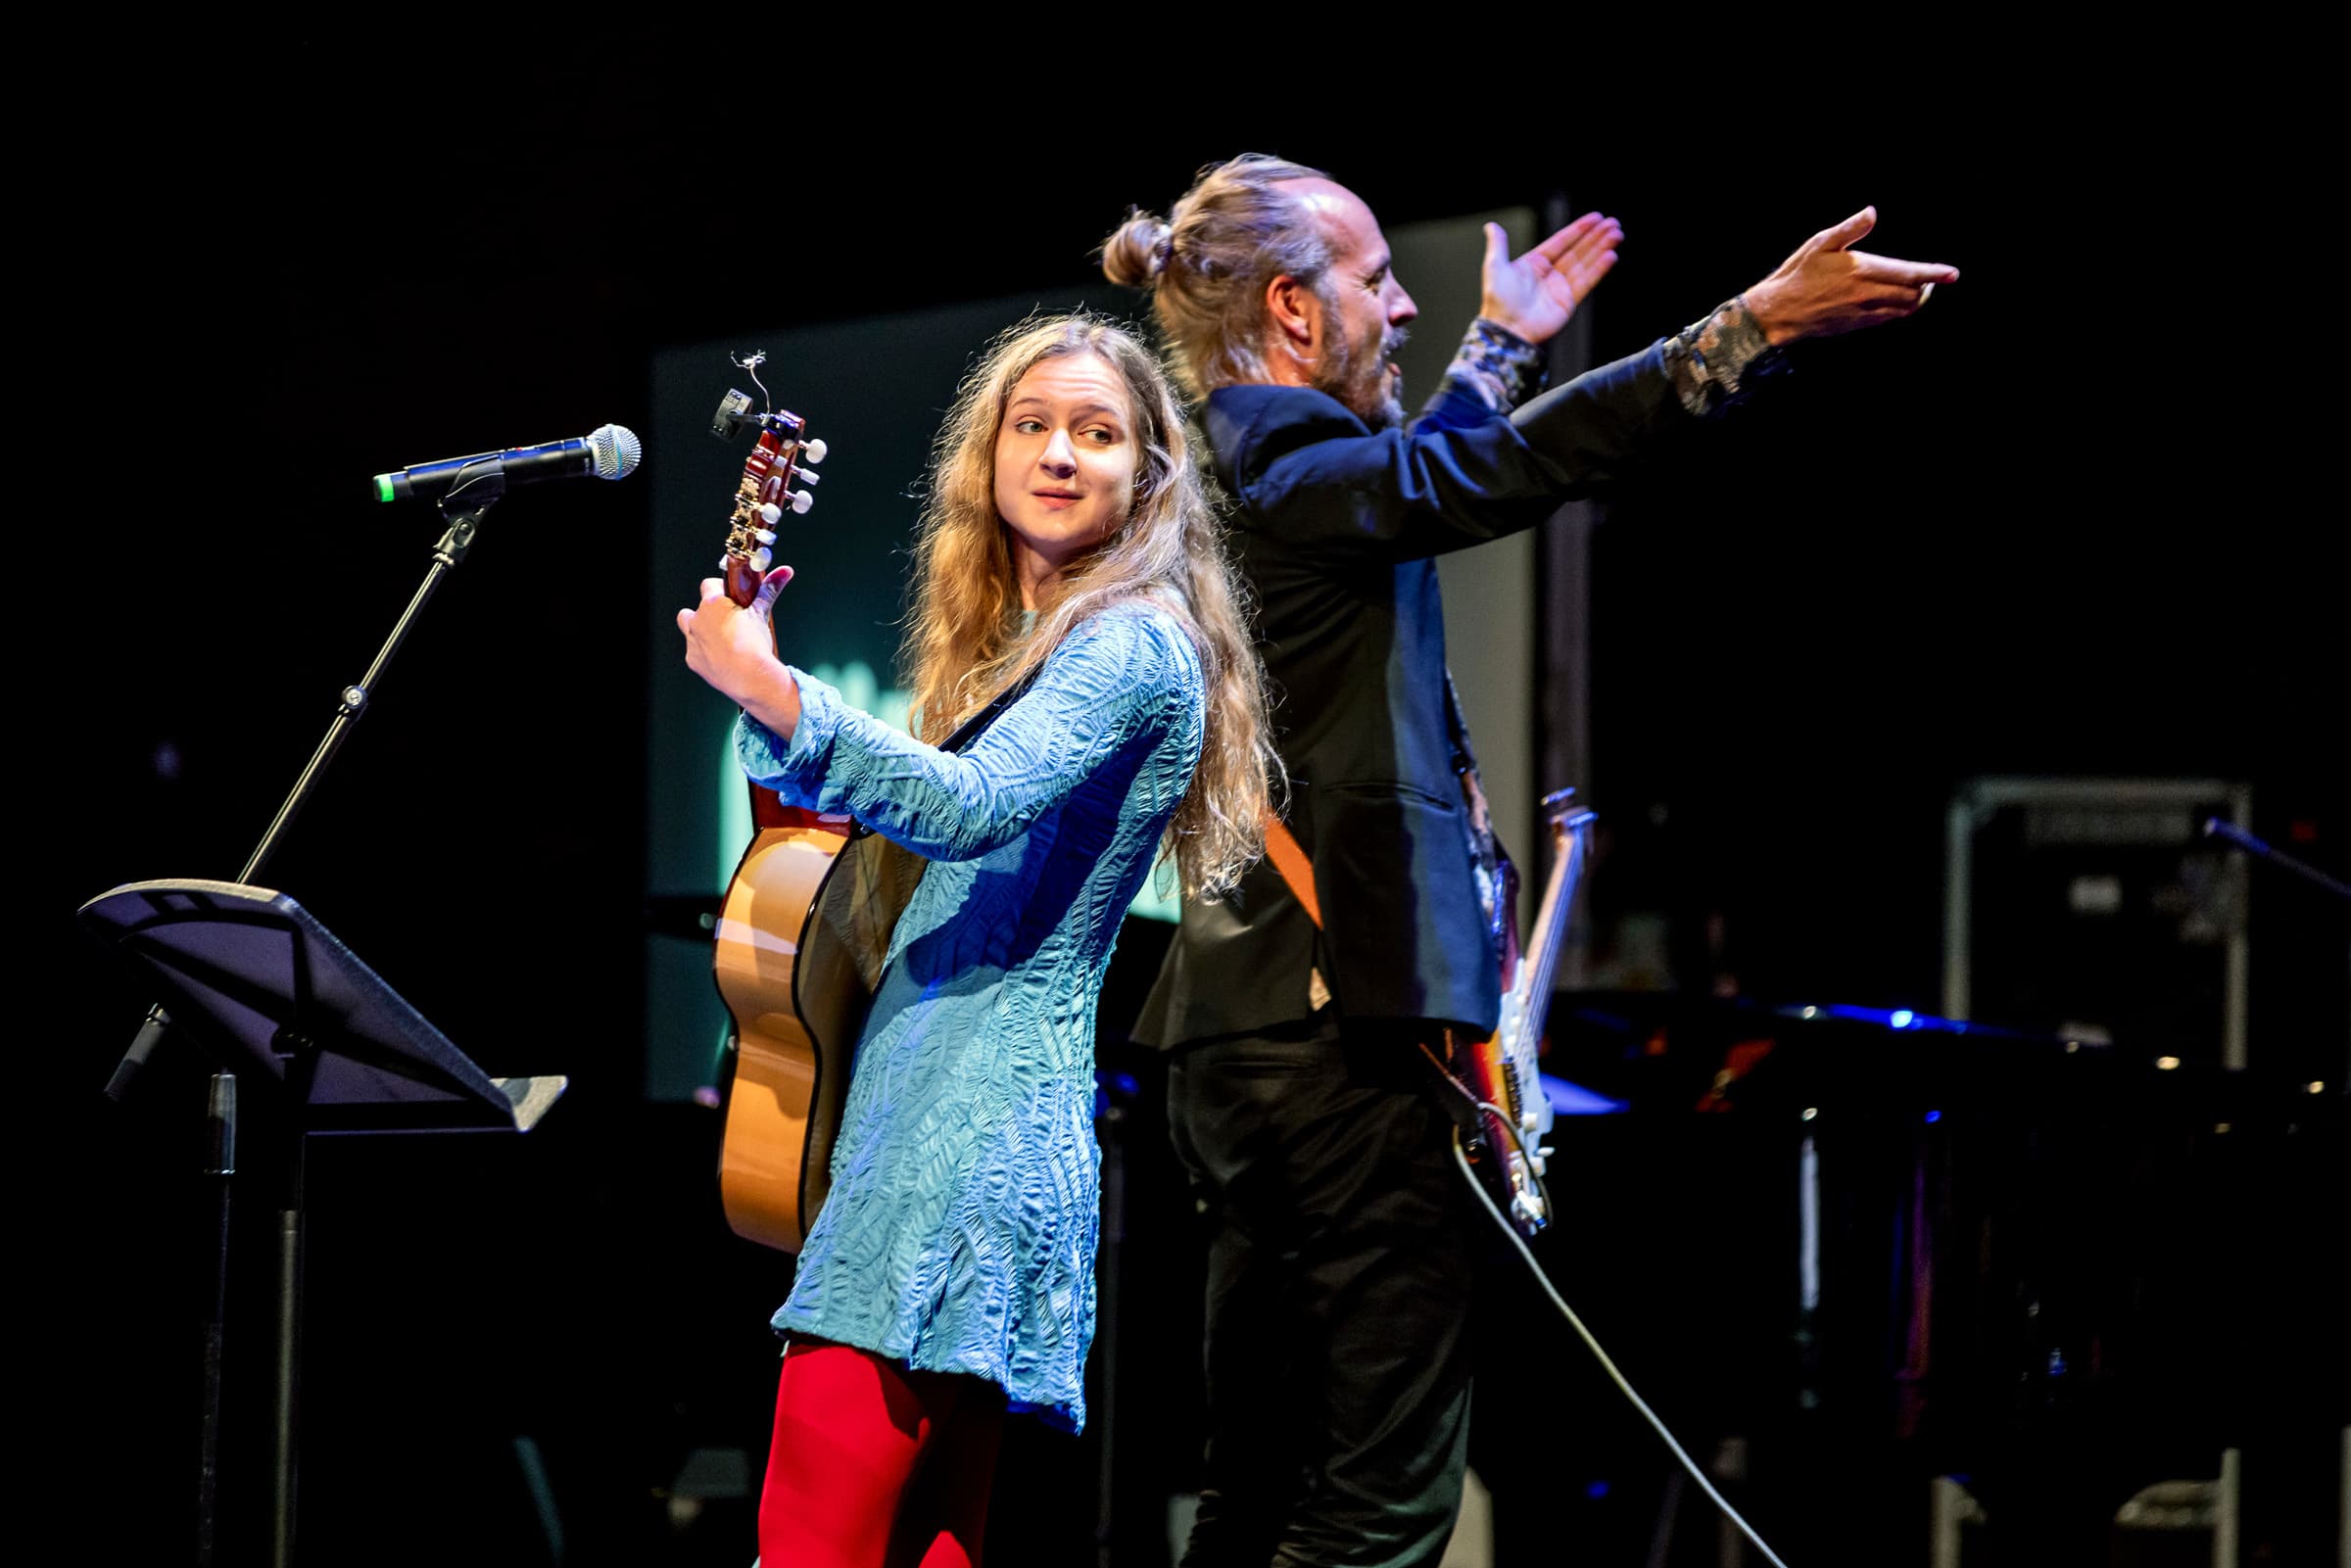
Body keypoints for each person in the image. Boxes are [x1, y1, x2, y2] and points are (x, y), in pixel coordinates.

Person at [1104, 154, 1959, 1566]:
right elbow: (1470, 476)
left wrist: (1496, 346)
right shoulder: (1290, 473)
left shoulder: (1251, 469)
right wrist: (1740, 329)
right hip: (1345, 1058)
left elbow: (1413, 480)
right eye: (1377, 282)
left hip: (1253, 1043)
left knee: (1259, 1487)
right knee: (1373, 1504)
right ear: (1292, 315)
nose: (1398, 306)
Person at [677, 313, 1276, 1568]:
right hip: (968, 1123)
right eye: (1034, 425)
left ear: (1149, 472)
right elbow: (837, 840)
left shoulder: (1127, 641)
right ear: (988, 456)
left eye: (1097, 433)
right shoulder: (1044, 646)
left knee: (808, 1547)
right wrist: (766, 693)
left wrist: (778, 690)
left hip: (956, 1139)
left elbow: (967, 806)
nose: (1059, 453)